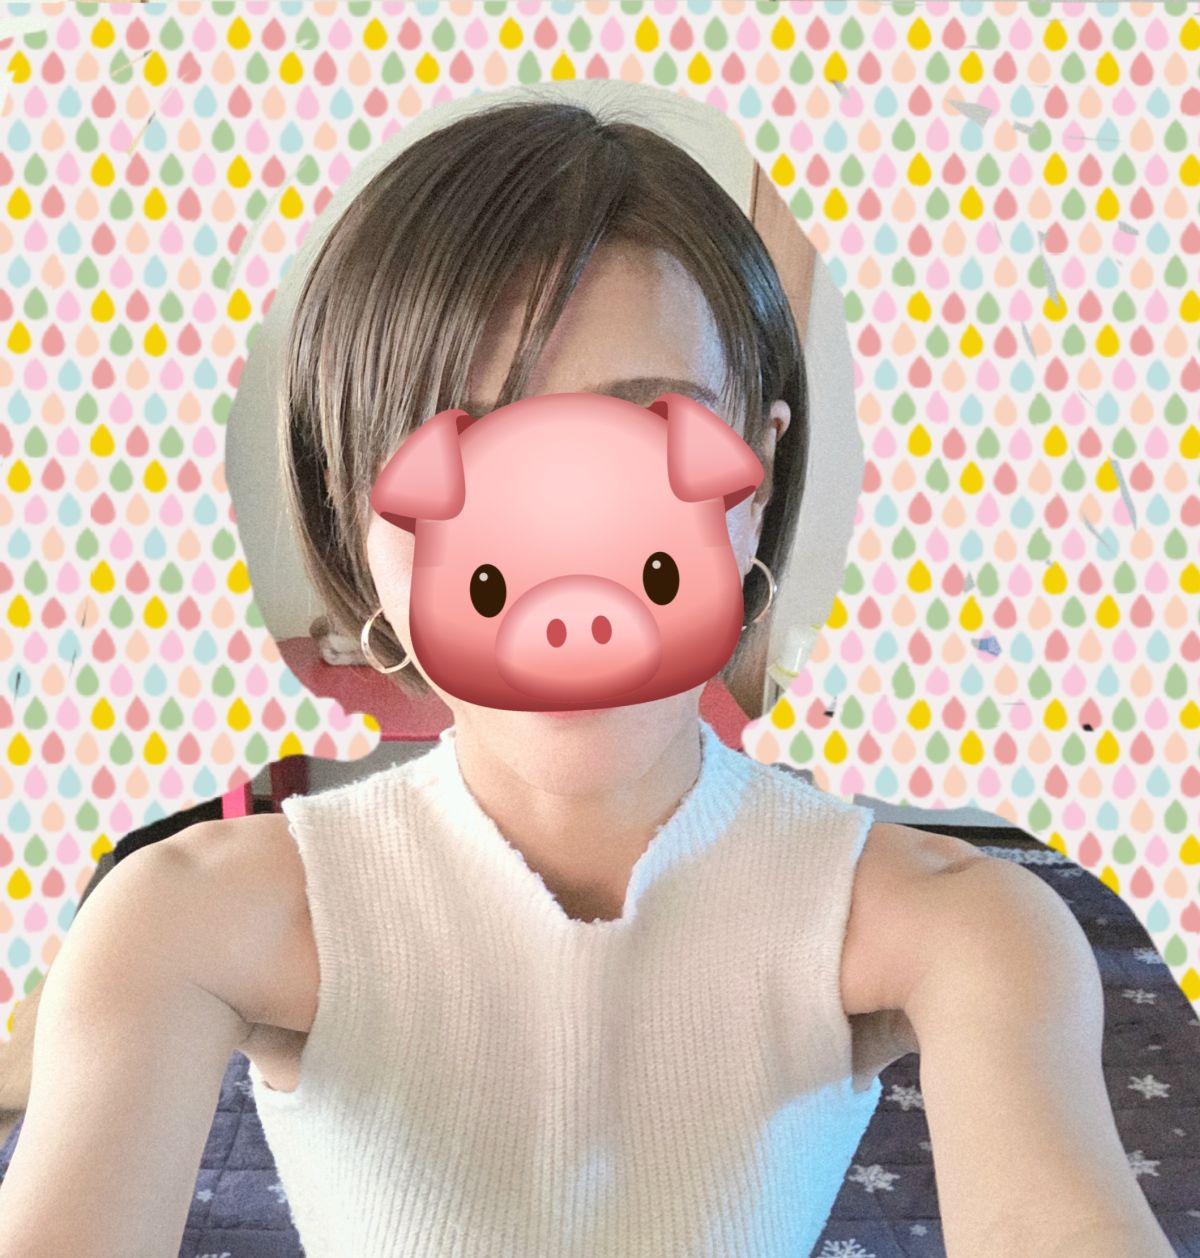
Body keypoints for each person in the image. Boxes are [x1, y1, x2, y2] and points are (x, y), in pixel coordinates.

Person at [0, 89, 1173, 1258]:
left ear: (755, 477)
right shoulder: (183, 920)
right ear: (358, 504)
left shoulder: (968, 926)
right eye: (470, 451)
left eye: (643, 435)